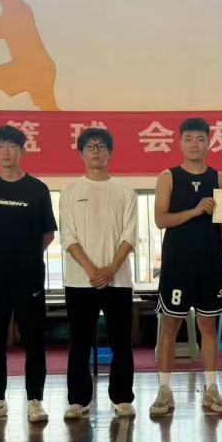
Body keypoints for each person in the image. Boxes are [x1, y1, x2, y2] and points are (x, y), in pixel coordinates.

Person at [0, 125, 57, 424]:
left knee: (34, 339)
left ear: (22, 150)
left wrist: (27, 255)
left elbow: (48, 233)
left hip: (29, 277)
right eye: (0, 146)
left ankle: (35, 400)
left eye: (11, 146)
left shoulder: (37, 189)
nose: (5, 152)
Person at [151, 118, 222, 416]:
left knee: (208, 326)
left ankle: (211, 389)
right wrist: (195, 210)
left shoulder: (219, 178)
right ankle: (164, 391)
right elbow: (161, 219)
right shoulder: (168, 176)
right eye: (189, 139)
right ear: (180, 142)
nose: (194, 144)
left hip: (210, 264)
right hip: (177, 264)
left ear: (209, 141)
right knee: (170, 326)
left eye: (200, 139)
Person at [60, 128, 139, 420]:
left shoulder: (125, 191)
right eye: (90, 147)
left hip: (118, 281)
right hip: (80, 281)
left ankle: (122, 397)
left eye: (101, 146)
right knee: (79, 342)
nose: (96, 151)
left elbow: (129, 235)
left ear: (110, 152)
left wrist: (111, 269)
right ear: (82, 153)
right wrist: (92, 270)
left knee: (121, 342)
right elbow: (68, 237)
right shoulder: (70, 191)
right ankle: (78, 400)